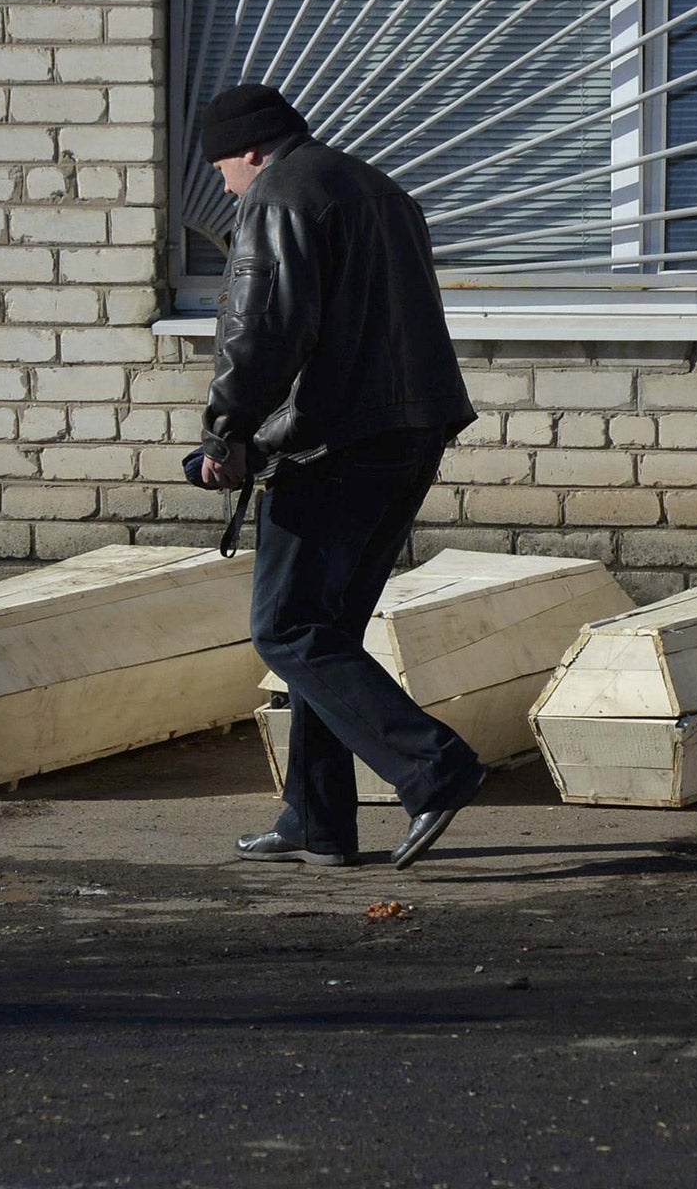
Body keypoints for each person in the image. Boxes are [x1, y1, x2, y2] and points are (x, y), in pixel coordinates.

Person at [193, 82, 486, 870]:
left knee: (286, 628)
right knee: (326, 633)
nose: (222, 184)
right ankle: (316, 818)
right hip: (411, 429)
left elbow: (264, 325)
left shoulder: (280, 195)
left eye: (221, 166)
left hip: (335, 444)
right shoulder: (376, 187)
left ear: (251, 149)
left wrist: (228, 427)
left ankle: (433, 766)